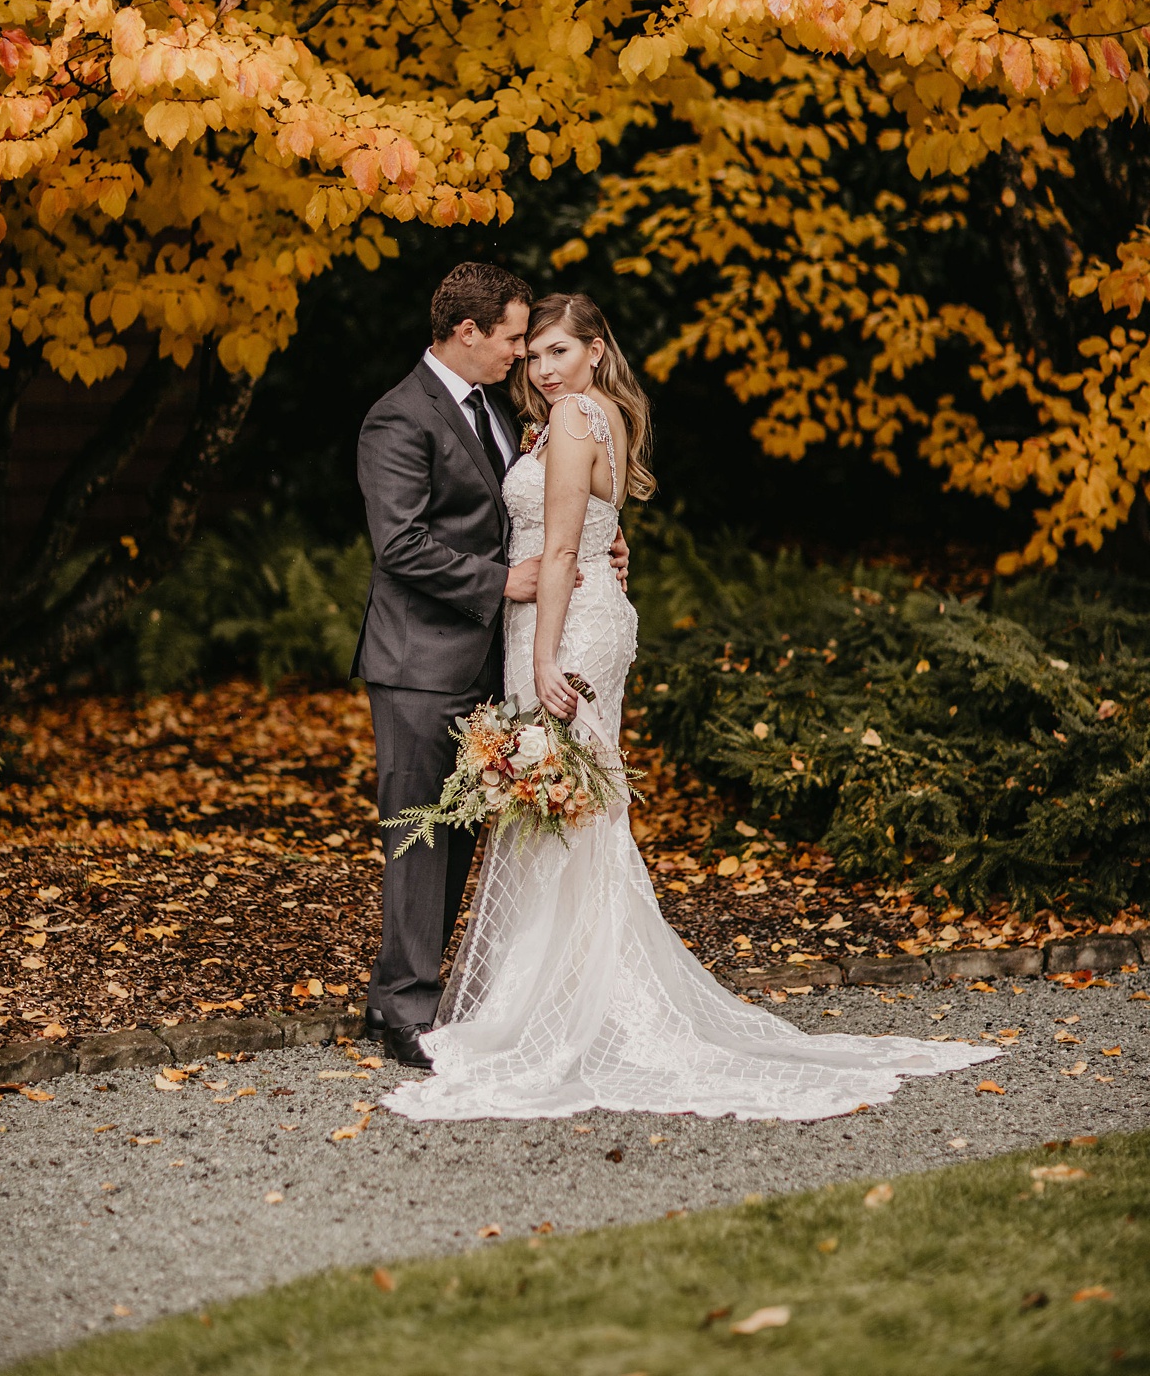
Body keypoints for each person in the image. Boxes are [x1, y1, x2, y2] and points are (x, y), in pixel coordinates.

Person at [382, 292, 1003, 1120]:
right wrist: (587, 558)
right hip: (565, 610)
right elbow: (567, 524)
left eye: (557, 351)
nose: (539, 367)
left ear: (596, 351)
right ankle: (559, 1000)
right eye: (531, 354)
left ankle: (561, 1013)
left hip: (559, 626)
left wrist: (541, 650)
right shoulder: (574, 416)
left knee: (565, 816)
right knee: (570, 815)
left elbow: (563, 543)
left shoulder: (570, 418)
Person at [353, 265, 628, 1067]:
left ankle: (403, 990)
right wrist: (501, 581)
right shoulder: (397, 418)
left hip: (492, 657)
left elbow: (540, 508)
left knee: (466, 831)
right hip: (418, 660)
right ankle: (405, 1010)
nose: (522, 356)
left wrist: (607, 540)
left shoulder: (507, 414)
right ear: (466, 333)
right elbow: (399, 542)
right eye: (513, 339)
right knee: (416, 834)